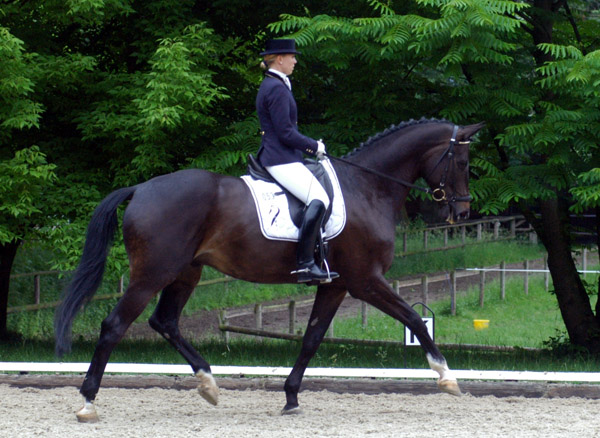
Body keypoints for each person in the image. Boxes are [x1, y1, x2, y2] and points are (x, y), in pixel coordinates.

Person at [256, 39, 339, 283]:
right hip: (280, 158)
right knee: (320, 198)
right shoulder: (275, 88)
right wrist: (315, 147)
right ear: (279, 59)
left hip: (283, 156)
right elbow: (285, 133)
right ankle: (305, 264)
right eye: (292, 57)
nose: (295, 61)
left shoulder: (275, 85)